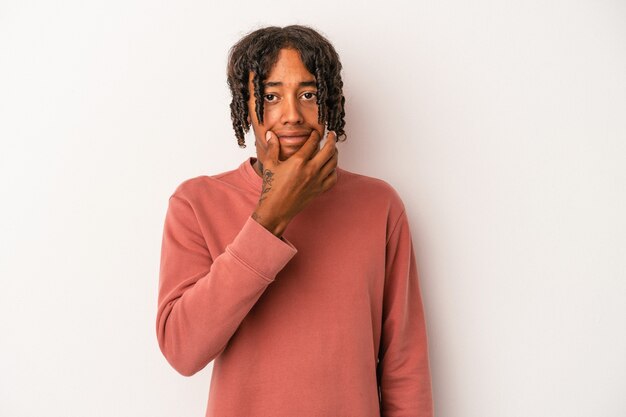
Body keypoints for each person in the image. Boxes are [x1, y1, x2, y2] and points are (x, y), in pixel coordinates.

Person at [156, 24, 434, 417]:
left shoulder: (379, 205)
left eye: (308, 94)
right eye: (270, 96)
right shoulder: (196, 203)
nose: (291, 115)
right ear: (246, 105)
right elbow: (182, 350)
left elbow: (404, 365)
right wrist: (271, 216)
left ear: (331, 103)